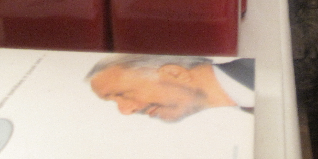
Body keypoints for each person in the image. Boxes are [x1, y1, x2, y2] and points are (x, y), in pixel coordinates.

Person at [86, 54, 255, 122]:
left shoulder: (258, 70)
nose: (125, 111)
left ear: (175, 73)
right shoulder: (249, 105)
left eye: (122, 94)